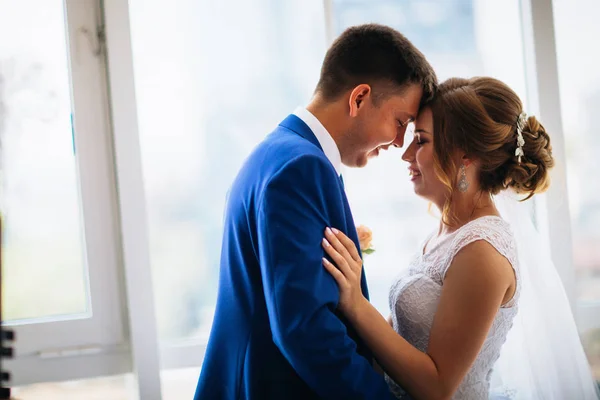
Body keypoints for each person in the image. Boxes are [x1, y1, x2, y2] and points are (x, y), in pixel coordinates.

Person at [194, 24, 437, 399]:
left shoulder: (277, 151)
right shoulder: (301, 168)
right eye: (400, 122)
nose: (398, 142)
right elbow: (304, 328)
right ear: (359, 98)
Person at [322, 77, 600, 399]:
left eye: (421, 141)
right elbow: (402, 337)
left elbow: (437, 387)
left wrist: (356, 304)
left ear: (464, 155)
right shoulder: (447, 231)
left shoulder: (482, 249)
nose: (406, 154)